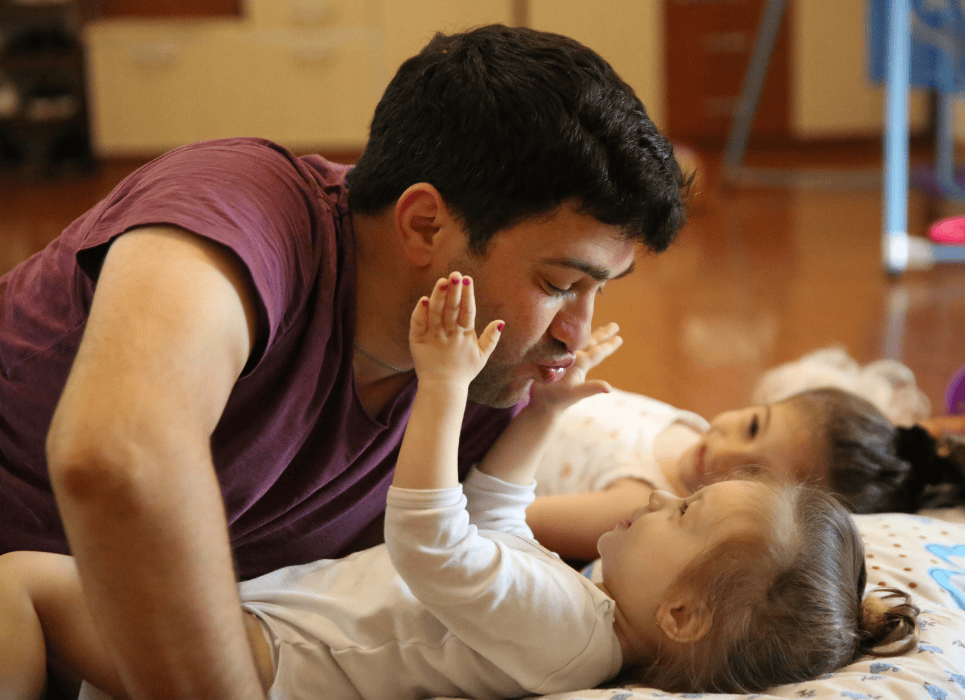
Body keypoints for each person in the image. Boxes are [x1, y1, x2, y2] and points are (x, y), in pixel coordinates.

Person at [0, 25, 689, 699]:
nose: (576, 334)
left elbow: (490, 543)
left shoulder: (482, 381)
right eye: (559, 285)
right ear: (426, 225)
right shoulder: (242, 208)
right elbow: (119, 456)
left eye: (600, 291)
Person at [0, 274, 918, 700]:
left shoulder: (569, 640)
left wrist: (442, 388)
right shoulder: (579, 612)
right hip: (253, 637)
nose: (653, 503)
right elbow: (490, 521)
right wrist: (543, 421)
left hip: (254, 663)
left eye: (680, 515)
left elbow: (433, 542)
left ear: (680, 617)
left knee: (17, 584)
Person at [528, 385, 965, 561]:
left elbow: (495, 516)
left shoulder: (639, 503)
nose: (723, 453)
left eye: (752, 476)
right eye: (754, 425)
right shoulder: (688, 430)